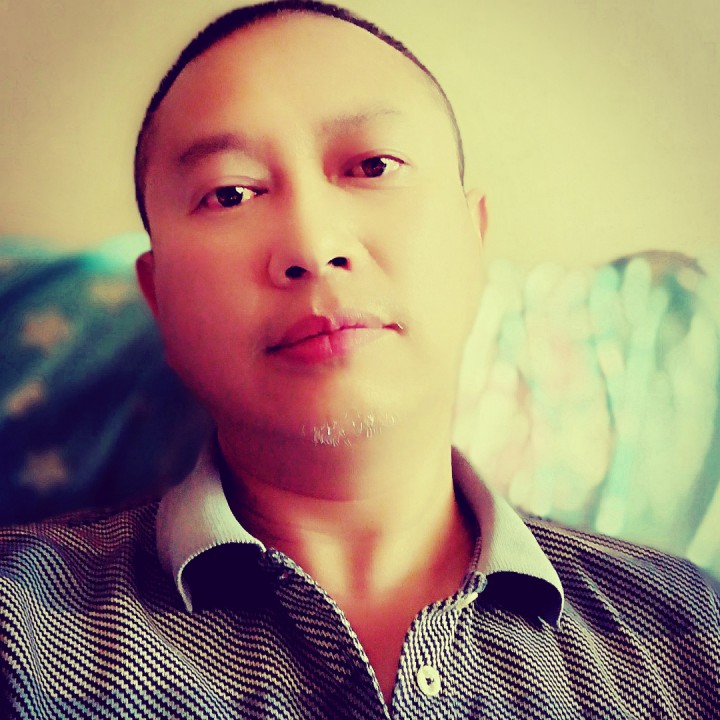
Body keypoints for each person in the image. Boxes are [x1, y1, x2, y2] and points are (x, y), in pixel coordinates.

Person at [0, 2, 718, 718]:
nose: (313, 246)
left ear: (473, 241)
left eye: (374, 166)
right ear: (159, 297)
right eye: (230, 194)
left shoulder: (690, 630)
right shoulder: (19, 627)